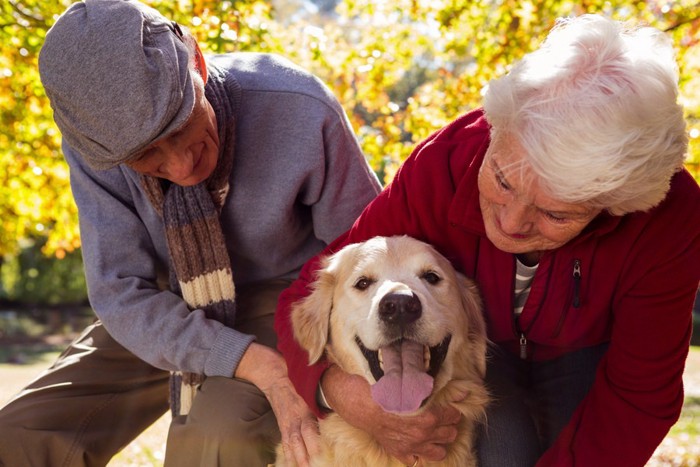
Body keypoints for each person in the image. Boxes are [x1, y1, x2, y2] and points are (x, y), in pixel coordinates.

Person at [276, 14, 700, 467]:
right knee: (505, 454)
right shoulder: (443, 164)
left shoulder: (669, 218)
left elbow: (638, 397)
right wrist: (338, 390)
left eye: (556, 213)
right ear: (497, 130)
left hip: (587, 358)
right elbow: (306, 298)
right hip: (478, 353)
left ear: (617, 203)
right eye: (502, 180)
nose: (511, 224)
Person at [0, 0, 381, 466]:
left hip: (288, 300)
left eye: (181, 126)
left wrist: (306, 375)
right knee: (17, 437)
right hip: (164, 305)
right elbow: (120, 293)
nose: (181, 167)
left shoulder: (299, 106)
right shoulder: (98, 150)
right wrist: (253, 363)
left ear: (197, 62)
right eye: (147, 156)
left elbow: (370, 261)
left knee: (217, 439)